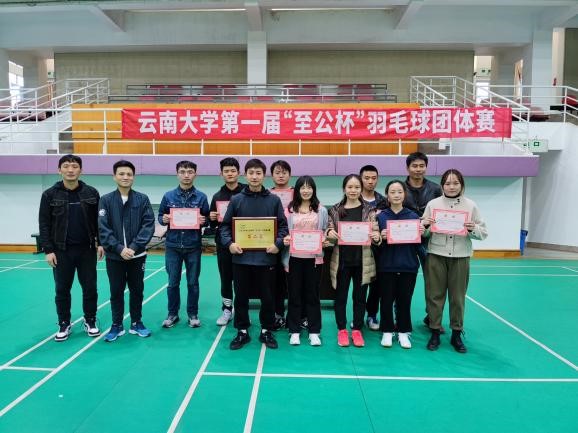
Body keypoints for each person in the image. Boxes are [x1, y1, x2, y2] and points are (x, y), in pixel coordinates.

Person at [220, 158, 289, 350]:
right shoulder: (236, 200)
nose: (255, 176)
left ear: (264, 176)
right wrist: (230, 244)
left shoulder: (274, 200)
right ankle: (242, 330)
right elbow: (225, 227)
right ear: (245, 175)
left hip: (266, 259)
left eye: (258, 173)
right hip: (241, 258)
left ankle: (267, 329)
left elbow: (283, 227)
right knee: (241, 296)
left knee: (268, 297)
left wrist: (277, 244)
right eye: (251, 173)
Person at [38, 154, 104, 342]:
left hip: (87, 250)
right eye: (66, 166)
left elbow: (99, 222)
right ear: (59, 170)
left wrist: (100, 243)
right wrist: (48, 250)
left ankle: (90, 320)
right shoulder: (49, 195)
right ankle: (64, 323)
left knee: (90, 288)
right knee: (62, 289)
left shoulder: (91, 193)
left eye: (74, 166)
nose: (70, 170)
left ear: (80, 170)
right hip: (61, 251)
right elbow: (44, 223)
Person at [422, 169, 487, 353]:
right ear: (442, 185)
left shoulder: (471, 206)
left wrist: (473, 228)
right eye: (448, 183)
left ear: (462, 185)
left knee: (457, 298)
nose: (451, 187)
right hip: (436, 254)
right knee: (434, 295)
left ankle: (456, 334)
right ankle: (435, 331)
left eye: (456, 183)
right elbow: (424, 232)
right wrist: (425, 225)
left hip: (460, 257)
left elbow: (483, 233)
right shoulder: (433, 204)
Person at [98, 160, 155, 342]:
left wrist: (134, 247)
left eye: (129, 174)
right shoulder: (106, 200)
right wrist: (119, 248)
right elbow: (103, 229)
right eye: (121, 174)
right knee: (116, 291)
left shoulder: (142, 199)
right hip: (115, 256)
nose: (125, 177)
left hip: (137, 256)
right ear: (114, 177)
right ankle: (117, 325)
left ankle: (136, 323)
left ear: (133, 177)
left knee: (137, 290)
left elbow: (148, 225)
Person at [326, 174, 381, 348]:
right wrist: (330, 233)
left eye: (357, 187)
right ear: (344, 189)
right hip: (342, 262)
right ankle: (342, 330)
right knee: (340, 297)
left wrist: (377, 236)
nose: (353, 190)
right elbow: (329, 229)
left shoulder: (369, 210)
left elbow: (376, 231)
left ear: (361, 189)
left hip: (362, 262)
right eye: (350, 187)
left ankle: (357, 329)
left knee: (359, 298)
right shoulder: (335, 210)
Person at [158, 161, 209, 329]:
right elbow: (160, 216)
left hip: (193, 246)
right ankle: (172, 314)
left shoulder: (201, 197)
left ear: (195, 174)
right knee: (173, 283)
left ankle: (193, 314)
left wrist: (204, 220)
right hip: (172, 246)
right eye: (182, 171)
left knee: (193, 283)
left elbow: (207, 219)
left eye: (190, 172)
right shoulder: (168, 196)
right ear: (177, 174)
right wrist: (164, 219)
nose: (186, 175)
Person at [376, 180, 424, 349]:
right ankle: (387, 331)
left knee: (404, 300)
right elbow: (375, 244)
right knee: (386, 300)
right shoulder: (380, 217)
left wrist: (422, 233)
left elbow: (419, 244)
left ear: (405, 194)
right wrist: (380, 237)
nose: (396, 195)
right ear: (387, 195)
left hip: (408, 266)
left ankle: (404, 331)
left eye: (399, 192)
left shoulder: (413, 217)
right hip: (386, 265)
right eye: (392, 192)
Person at [282, 176, 329, 346]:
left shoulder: (321, 210)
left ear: (313, 190)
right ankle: (294, 330)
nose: (306, 190)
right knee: (294, 295)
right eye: (303, 187)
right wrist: (285, 239)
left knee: (312, 296)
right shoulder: (289, 209)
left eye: (309, 187)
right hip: (293, 259)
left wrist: (324, 239)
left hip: (314, 260)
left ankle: (314, 331)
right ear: (297, 190)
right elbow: (284, 231)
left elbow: (324, 230)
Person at [403, 152, 443, 332]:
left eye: (421, 166)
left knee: (434, 283)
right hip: (406, 241)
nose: (418, 169)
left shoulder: (436, 189)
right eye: (414, 166)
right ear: (408, 168)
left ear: (426, 167)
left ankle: (433, 318)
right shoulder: (400, 188)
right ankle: (400, 317)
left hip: (429, 240)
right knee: (402, 281)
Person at [208, 157, 245, 326]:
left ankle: (242, 309)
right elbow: (213, 225)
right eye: (226, 171)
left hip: (245, 243)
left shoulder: (246, 192)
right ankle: (227, 309)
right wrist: (212, 217)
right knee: (226, 278)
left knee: (243, 279)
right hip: (224, 245)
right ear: (221, 174)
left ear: (239, 173)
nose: (229, 174)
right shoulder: (217, 196)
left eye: (233, 171)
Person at [359, 164, 386, 331]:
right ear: (361, 179)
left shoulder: (383, 201)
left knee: (376, 286)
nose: (370, 181)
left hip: (378, 250)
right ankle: (358, 316)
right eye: (367, 178)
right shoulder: (353, 198)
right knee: (360, 286)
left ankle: (371, 315)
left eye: (374, 178)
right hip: (358, 250)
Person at [269, 160, 293, 330]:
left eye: (284, 172)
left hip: (294, 245)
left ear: (289, 175)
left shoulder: (298, 193)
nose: (281, 176)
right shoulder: (267, 194)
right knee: (276, 282)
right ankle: (278, 315)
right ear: (272, 175)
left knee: (293, 282)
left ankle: (296, 316)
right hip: (274, 244)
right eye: (277, 172)